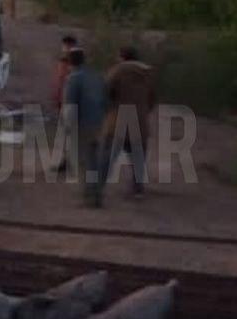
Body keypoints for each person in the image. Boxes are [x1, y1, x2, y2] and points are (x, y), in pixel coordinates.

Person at [99, 46, 157, 198]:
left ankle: (97, 188)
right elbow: (152, 99)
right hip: (140, 122)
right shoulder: (148, 74)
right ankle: (137, 190)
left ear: (122, 57)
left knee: (106, 157)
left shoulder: (117, 71)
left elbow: (105, 92)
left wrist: (107, 110)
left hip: (118, 120)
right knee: (138, 158)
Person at [62, 48, 107, 207]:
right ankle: (97, 194)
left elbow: (70, 106)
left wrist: (68, 128)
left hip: (81, 125)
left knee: (84, 162)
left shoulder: (73, 78)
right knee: (94, 160)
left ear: (70, 62)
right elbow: (106, 101)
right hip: (98, 124)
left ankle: (90, 197)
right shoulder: (96, 77)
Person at [51, 35, 79, 173]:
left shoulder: (69, 62)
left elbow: (62, 80)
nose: (64, 49)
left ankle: (69, 161)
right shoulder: (74, 61)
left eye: (65, 46)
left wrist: (57, 96)